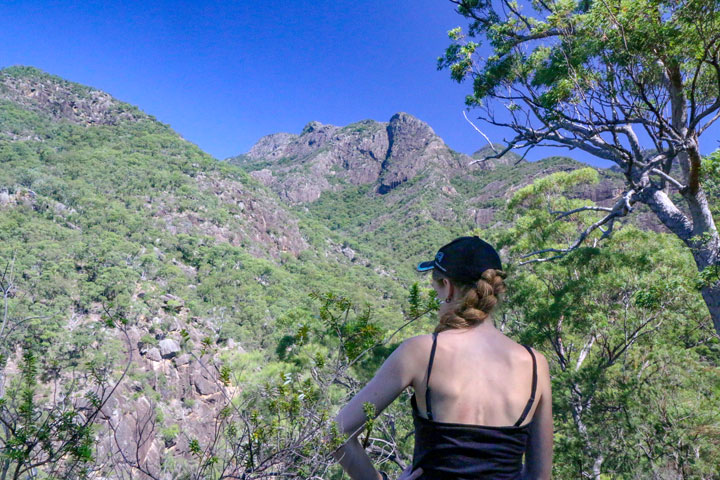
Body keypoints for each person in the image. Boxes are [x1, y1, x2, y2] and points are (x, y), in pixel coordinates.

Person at [331, 236, 553, 479]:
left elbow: (338, 435)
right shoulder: (534, 364)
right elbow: (540, 476)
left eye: (435, 285)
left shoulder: (420, 353)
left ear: (448, 287)